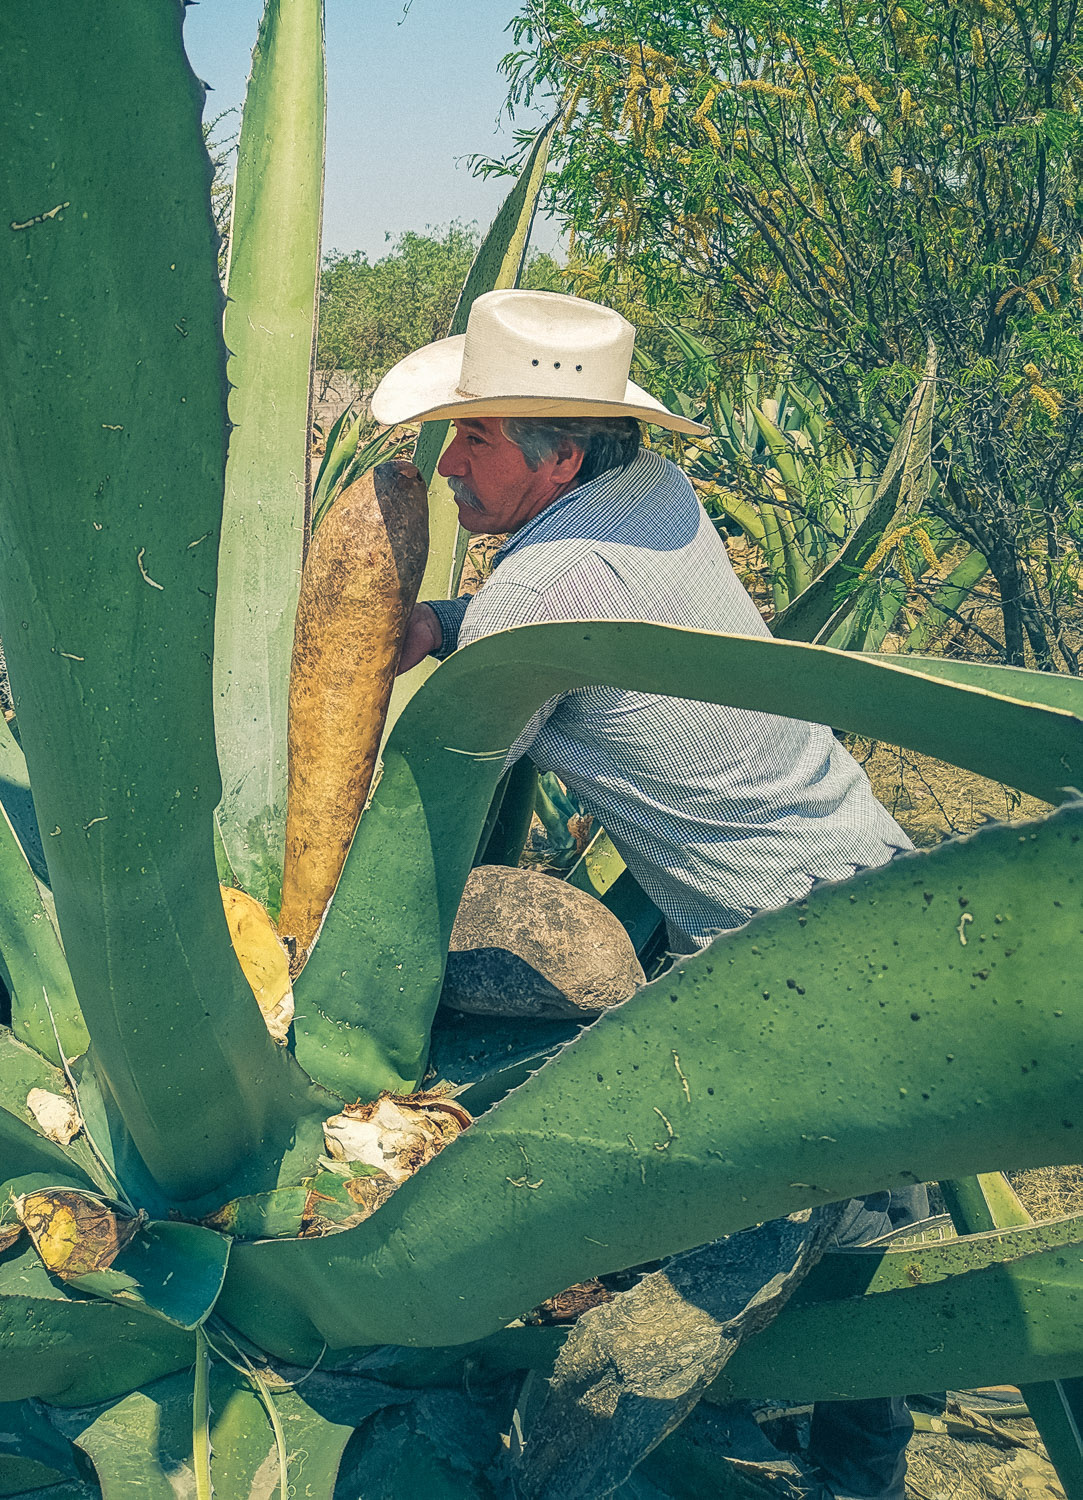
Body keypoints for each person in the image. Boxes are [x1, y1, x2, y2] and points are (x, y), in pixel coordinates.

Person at [372, 289, 924, 1500]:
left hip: (784, 982)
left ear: (560, 452)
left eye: (478, 438)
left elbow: (425, 807)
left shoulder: (544, 587)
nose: (450, 464)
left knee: (659, 1332)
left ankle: (536, 1490)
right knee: (872, 1241)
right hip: (884, 903)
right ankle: (857, 1477)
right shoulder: (652, 497)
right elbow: (580, 616)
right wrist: (449, 622)